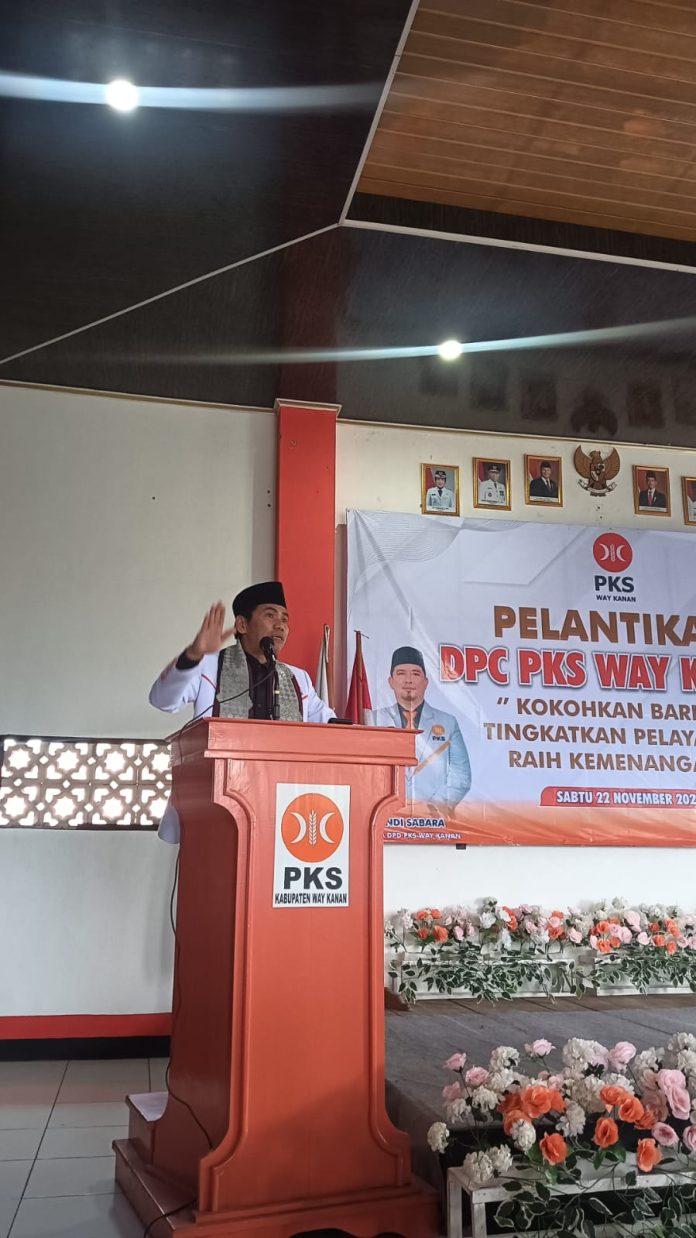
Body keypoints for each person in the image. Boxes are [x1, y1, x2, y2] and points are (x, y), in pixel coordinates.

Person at [150, 581, 334, 840]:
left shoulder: (297, 678)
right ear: (242, 625)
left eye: (285, 619)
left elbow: (331, 725)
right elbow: (162, 700)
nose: (280, 625)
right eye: (270, 615)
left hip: (280, 806)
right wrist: (193, 654)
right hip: (212, 806)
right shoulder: (208, 666)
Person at [368, 646, 471, 810]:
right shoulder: (372, 720)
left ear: (426, 682)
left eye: (415, 674)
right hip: (384, 814)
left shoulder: (448, 722)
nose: (408, 680)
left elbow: (461, 773)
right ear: (391, 681)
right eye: (401, 673)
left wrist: (434, 807)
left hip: (433, 818)